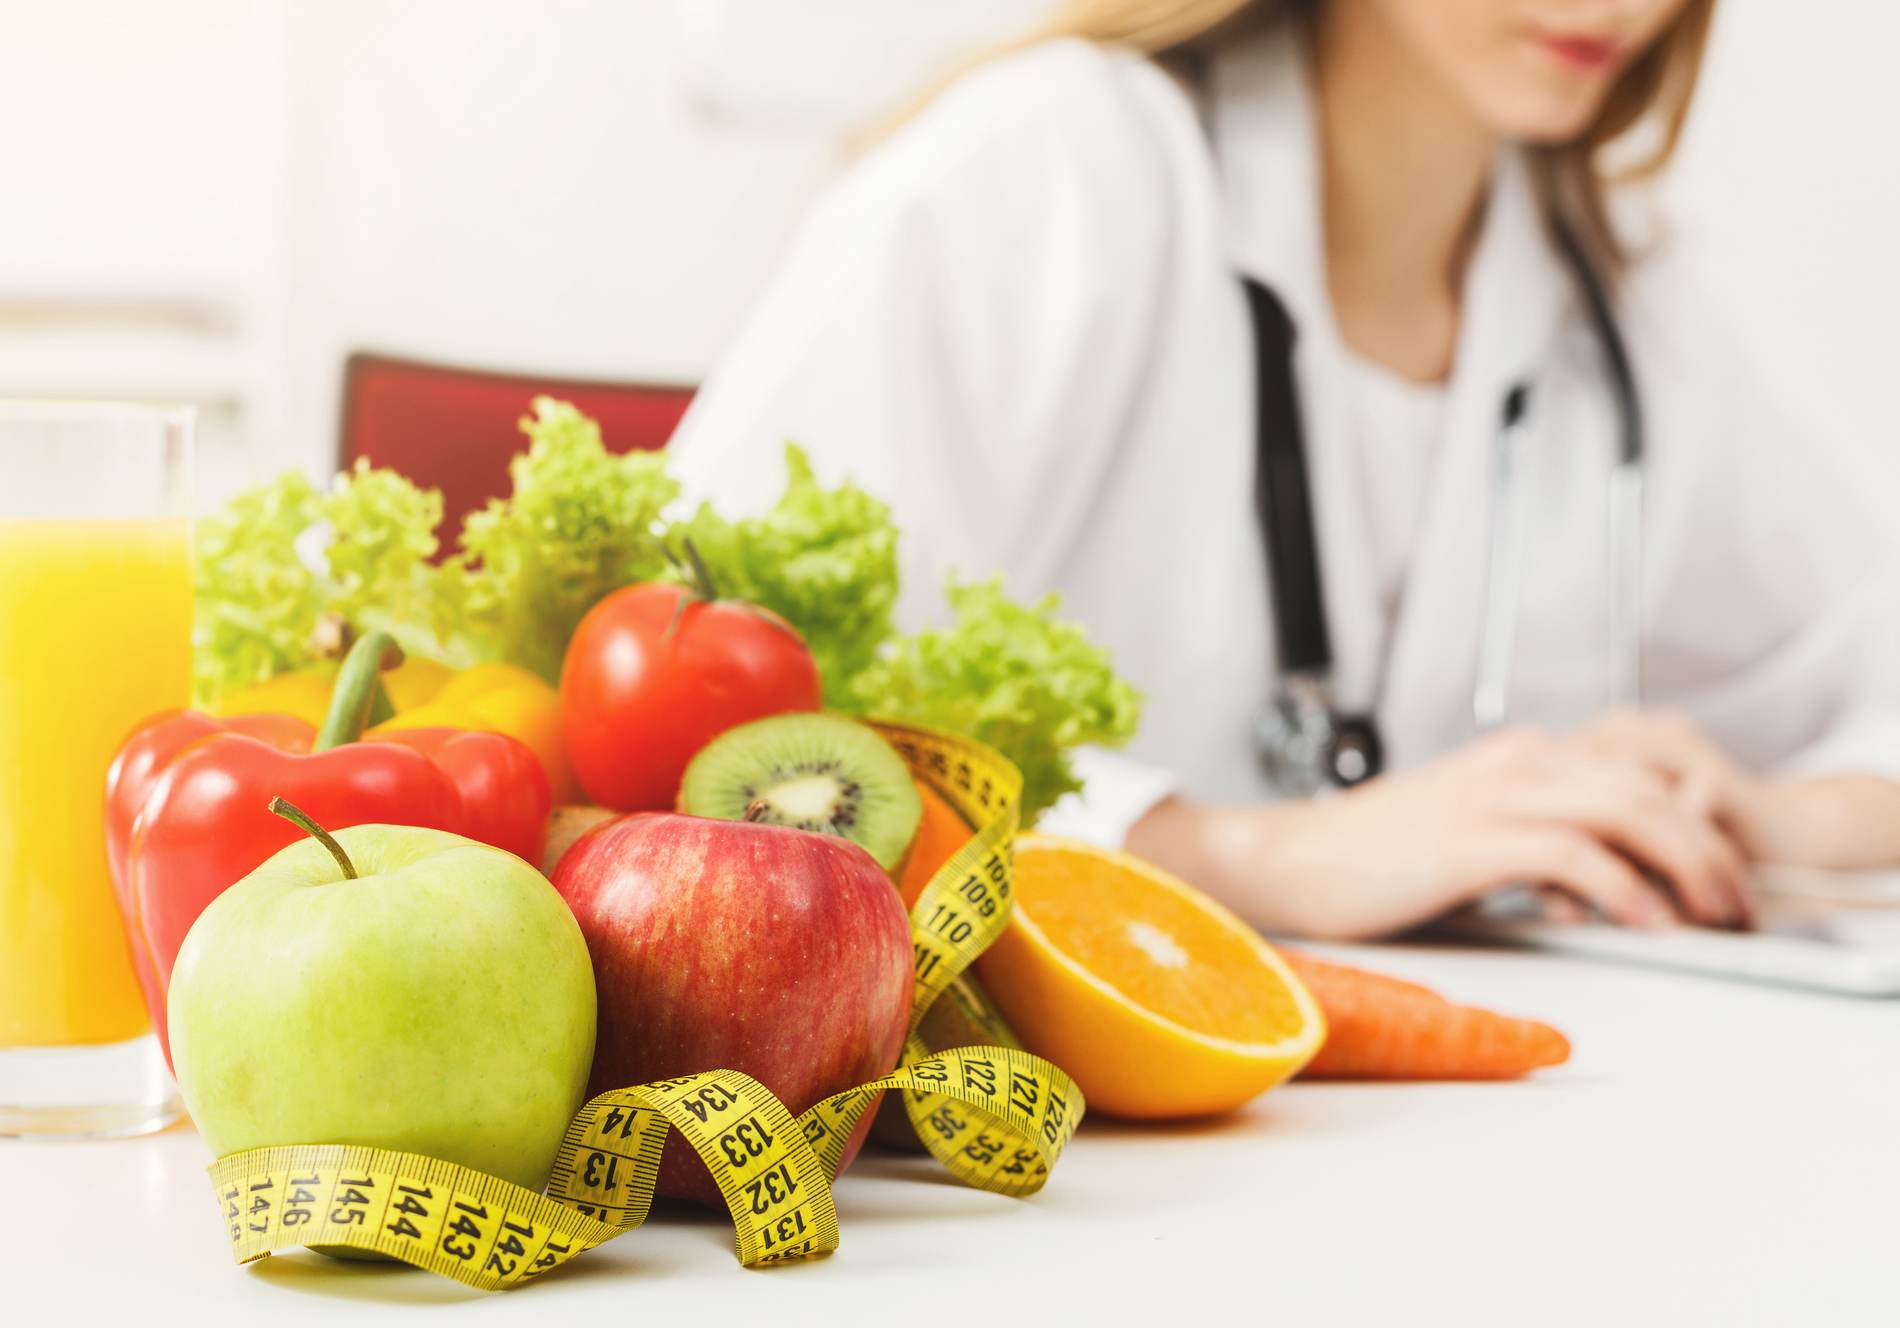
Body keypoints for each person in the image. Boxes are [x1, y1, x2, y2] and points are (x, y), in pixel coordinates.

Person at [666, 0, 1900, 940]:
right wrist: (1241, 854)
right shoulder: (1048, 169)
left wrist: (1770, 821)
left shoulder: (1618, 289)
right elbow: (690, 701)